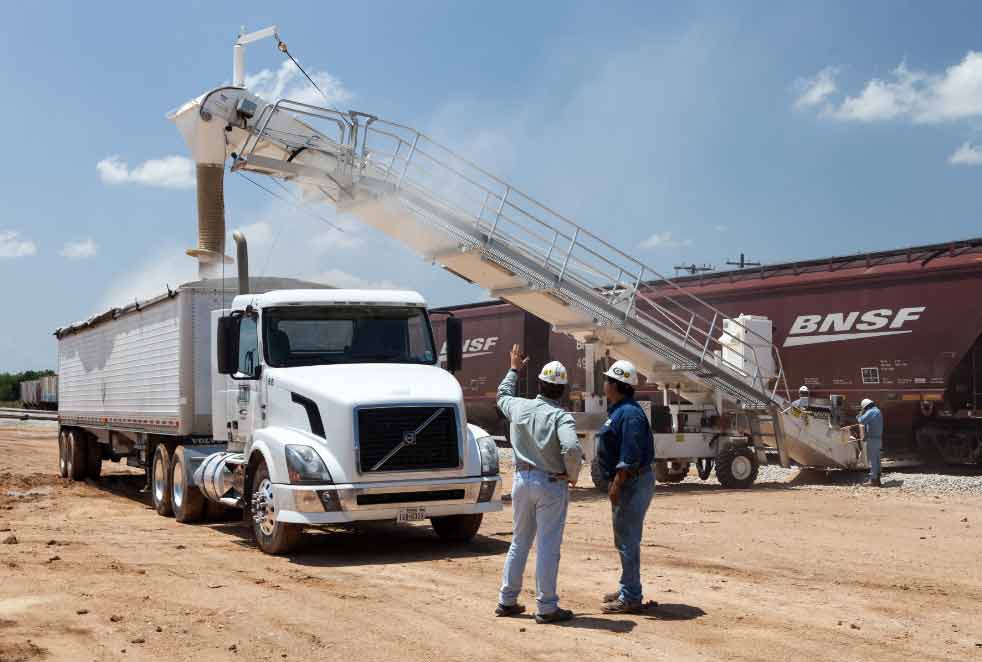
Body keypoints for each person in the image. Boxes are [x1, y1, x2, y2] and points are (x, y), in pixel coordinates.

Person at [495, 344, 583, 624]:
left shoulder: (519, 407)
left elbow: (502, 395)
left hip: (521, 479)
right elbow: (571, 449)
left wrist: (513, 368)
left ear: (540, 384)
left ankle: (507, 600)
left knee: (519, 542)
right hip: (549, 483)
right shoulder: (561, 416)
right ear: (563, 389)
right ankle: (546, 606)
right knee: (547, 545)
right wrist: (571, 475)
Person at [594, 359, 656, 614]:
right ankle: (627, 587)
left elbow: (629, 456)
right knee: (624, 538)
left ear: (617, 385)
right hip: (629, 481)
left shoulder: (628, 414)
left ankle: (631, 596)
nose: (605, 384)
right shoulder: (621, 410)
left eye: (608, 380)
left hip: (631, 481)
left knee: (628, 540)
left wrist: (617, 484)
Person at [858, 398, 884, 487]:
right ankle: (878, 479)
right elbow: (871, 424)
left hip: (872, 440)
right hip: (878, 439)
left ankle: (873, 480)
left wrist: (859, 415)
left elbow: (861, 421)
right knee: (877, 459)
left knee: (872, 460)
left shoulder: (870, 412)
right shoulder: (878, 411)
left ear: (865, 407)